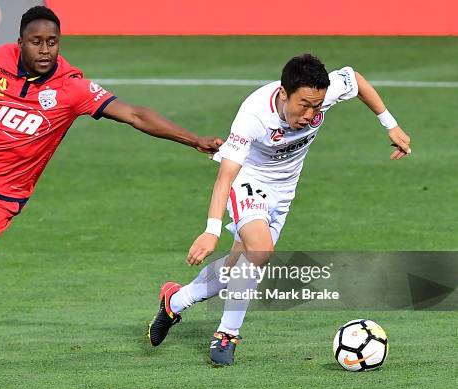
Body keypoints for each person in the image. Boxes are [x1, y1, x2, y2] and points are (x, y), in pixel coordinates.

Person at [0, 6, 222, 362]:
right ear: (20, 43)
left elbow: (135, 115)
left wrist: (192, 139)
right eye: (37, 42)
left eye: (53, 41)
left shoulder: (72, 88)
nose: (46, 49)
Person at [147, 54, 412, 366]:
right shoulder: (253, 116)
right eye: (303, 105)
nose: (311, 114)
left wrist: (390, 125)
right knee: (260, 251)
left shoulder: (320, 93)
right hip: (248, 181)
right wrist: (211, 230)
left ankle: (174, 301)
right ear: (284, 94)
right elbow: (225, 177)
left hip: (284, 193)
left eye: (318, 106)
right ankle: (226, 335)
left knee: (236, 268)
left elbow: (356, 79)